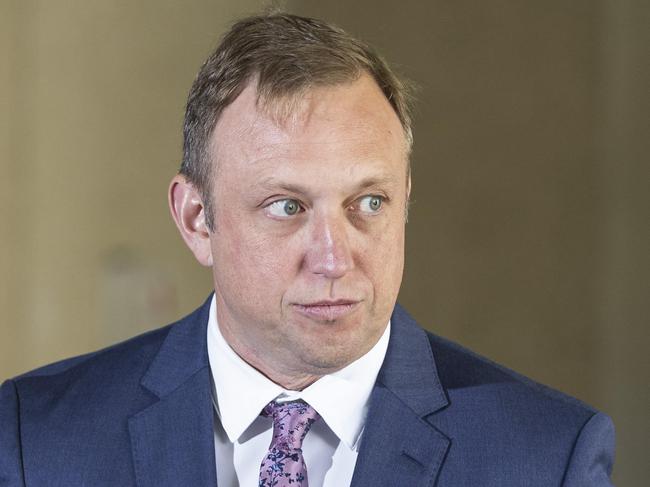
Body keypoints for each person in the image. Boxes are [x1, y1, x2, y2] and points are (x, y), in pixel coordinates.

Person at [0, 13, 614, 487]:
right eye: (288, 207)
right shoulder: (36, 438)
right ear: (196, 220)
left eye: (368, 203)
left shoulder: (546, 456)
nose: (334, 257)